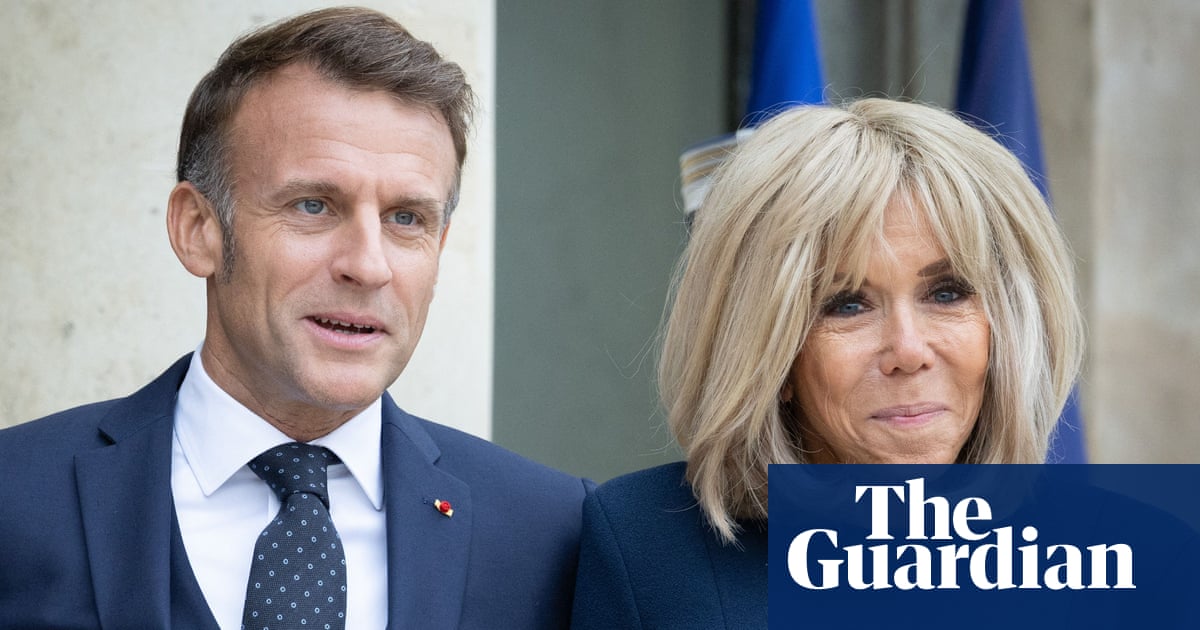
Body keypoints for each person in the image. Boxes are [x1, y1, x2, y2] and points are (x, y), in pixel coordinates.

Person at [0, 8, 588, 629]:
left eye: (406, 219)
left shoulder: (552, 533)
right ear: (198, 229)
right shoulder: (15, 497)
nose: (368, 265)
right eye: (313, 205)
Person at [570, 98, 1084, 628]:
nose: (908, 351)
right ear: (768, 351)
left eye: (946, 294)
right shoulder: (648, 546)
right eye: (847, 305)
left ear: (1009, 326)